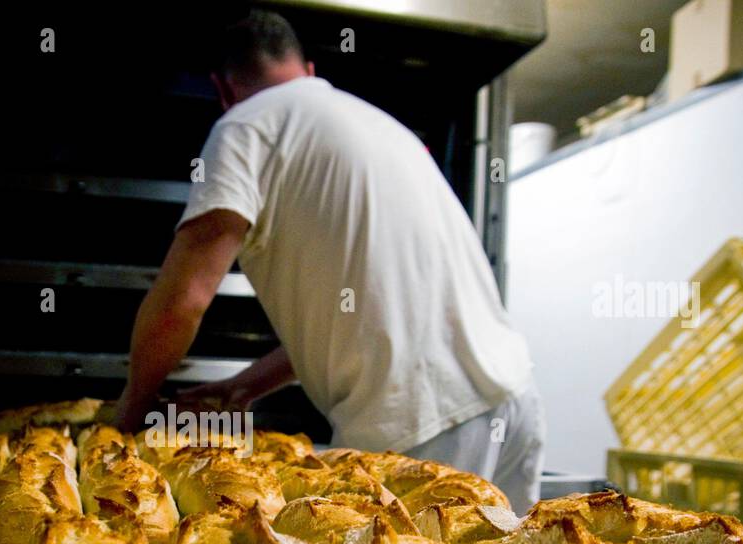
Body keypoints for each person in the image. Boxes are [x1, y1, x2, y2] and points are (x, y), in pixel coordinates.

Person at [112, 10, 544, 511]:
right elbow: (367, 305)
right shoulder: (380, 125)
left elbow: (183, 299)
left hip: (421, 427)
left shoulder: (245, 127)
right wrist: (243, 387)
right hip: (513, 400)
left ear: (223, 89)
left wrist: (132, 409)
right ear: (310, 71)